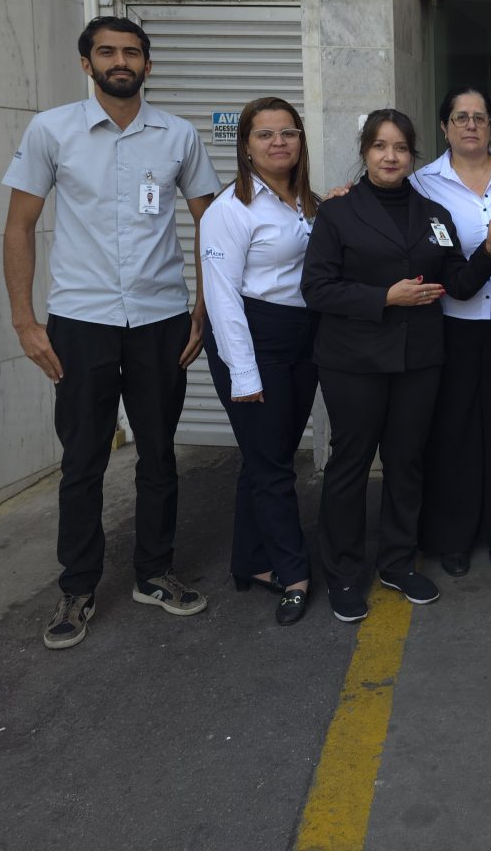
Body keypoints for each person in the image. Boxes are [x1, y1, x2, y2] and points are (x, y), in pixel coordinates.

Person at [3, 15, 220, 650]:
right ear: (86, 63)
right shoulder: (51, 130)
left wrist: (203, 308)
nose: (119, 61)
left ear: (148, 64)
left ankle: (154, 573)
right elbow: (18, 226)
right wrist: (24, 320)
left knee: (158, 454)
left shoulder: (178, 135)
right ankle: (78, 586)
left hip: (160, 320)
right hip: (81, 321)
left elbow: (210, 223)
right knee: (82, 459)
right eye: (106, 52)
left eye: (131, 52)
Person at [301, 109, 491, 624]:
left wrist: (489, 250)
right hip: (354, 361)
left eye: (399, 148)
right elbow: (317, 288)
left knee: (406, 463)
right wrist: (384, 297)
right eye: (380, 146)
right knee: (350, 466)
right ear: (365, 152)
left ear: (413, 155)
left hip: (418, 359)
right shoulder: (338, 213)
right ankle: (344, 573)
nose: (390, 156)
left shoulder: (434, 214)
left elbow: (458, 284)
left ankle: (396, 562)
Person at [410, 88, 491, 576]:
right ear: (444, 127)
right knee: (454, 432)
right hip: (450, 324)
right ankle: (454, 537)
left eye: (480, 118)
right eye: (460, 117)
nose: (470, 125)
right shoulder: (423, 183)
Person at [200, 97, 320, 626]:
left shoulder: (307, 201)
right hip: (252, 338)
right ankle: (293, 574)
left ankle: (249, 559)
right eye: (265, 134)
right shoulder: (230, 210)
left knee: (266, 455)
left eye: (288, 132)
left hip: (301, 337)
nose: (278, 143)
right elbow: (222, 298)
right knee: (274, 466)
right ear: (245, 146)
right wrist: (243, 374)